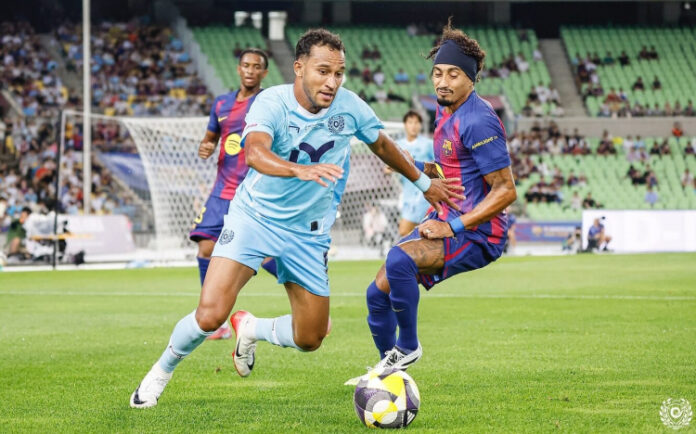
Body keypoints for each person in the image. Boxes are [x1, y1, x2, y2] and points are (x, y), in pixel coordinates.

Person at [130, 28, 463, 409]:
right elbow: (255, 153)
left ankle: (251, 327)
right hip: (254, 219)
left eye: (339, 73)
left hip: (308, 234)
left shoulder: (350, 106)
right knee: (210, 315)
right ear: (299, 68)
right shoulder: (271, 102)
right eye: (323, 71)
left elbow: (383, 146)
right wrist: (298, 170)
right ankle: (160, 372)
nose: (332, 82)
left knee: (311, 337)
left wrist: (423, 183)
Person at [347, 21, 516, 381]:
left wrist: (451, 226)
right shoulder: (444, 109)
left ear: (471, 78)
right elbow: (455, 167)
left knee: (399, 261)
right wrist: (418, 166)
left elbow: (505, 190)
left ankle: (408, 346)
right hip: (445, 216)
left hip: (478, 233)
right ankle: (390, 375)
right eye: (438, 73)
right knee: (376, 294)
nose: (443, 82)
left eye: (453, 74)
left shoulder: (479, 120)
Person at [188, 48, 277, 341]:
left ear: (264, 72)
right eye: (246, 65)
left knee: (265, 256)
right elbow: (210, 138)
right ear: (239, 69)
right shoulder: (221, 103)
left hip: (252, 191)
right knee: (205, 247)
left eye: (256, 67)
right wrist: (206, 146)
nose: (250, 70)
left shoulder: (267, 102)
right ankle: (214, 320)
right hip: (222, 190)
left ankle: (305, 289)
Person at [391, 111, 434, 237]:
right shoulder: (398, 145)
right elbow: (390, 165)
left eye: (416, 122)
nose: (413, 126)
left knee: (405, 230)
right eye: (410, 122)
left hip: (423, 192)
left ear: (420, 125)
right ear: (405, 125)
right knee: (417, 233)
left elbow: (437, 165)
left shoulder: (427, 144)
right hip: (407, 193)